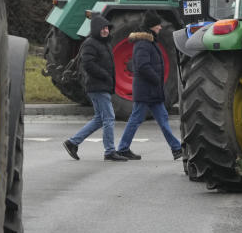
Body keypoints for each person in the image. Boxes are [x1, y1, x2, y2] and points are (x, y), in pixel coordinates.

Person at [116, 10, 183, 161]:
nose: (160, 27)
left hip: (151, 91)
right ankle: (122, 148)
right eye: (158, 25)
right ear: (152, 26)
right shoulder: (143, 44)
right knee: (137, 119)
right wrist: (156, 79)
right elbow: (142, 66)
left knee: (162, 118)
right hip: (146, 90)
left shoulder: (149, 42)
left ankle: (176, 148)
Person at [63, 14, 128, 162]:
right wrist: (105, 75)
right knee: (109, 118)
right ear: (96, 29)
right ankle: (110, 151)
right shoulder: (90, 43)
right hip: (97, 86)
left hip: (103, 86)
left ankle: (72, 142)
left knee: (100, 119)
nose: (105, 30)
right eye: (103, 28)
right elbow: (88, 64)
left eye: (107, 28)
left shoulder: (104, 43)